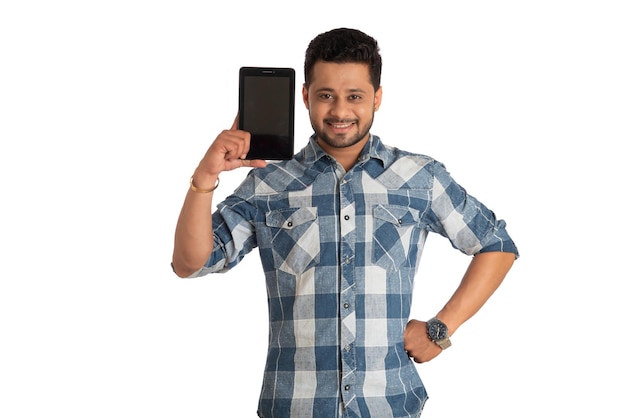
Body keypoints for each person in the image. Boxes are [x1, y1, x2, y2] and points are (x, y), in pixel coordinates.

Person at [172, 27, 518, 418]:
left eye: (354, 96)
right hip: (294, 409)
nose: (340, 112)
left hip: (389, 407)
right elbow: (190, 263)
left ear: (377, 97)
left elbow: (496, 243)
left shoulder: (420, 177)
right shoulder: (269, 183)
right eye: (326, 96)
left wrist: (441, 329)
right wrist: (205, 178)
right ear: (305, 96)